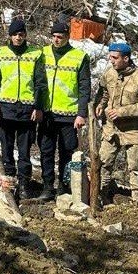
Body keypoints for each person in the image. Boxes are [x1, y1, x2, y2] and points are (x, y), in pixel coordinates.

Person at [0, 19, 47, 200]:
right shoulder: (1, 53)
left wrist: (38, 107)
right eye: (15, 35)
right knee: (6, 150)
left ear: (25, 35)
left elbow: (40, 84)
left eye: (21, 34)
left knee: (24, 152)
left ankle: (23, 185)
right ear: (10, 36)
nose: (18, 38)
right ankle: (8, 185)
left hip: (27, 110)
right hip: (6, 108)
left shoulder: (35, 54)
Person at [37, 17, 91, 201]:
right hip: (47, 113)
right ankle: (47, 186)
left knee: (67, 152)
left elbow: (85, 87)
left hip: (69, 114)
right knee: (46, 151)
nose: (56, 40)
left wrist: (81, 113)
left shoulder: (79, 57)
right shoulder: (42, 54)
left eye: (60, 36)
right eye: (54, 36)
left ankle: (64, 185)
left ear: (68, 37)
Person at [95, 42, 138, 204]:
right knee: (104, 162)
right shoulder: (109, 73)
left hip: (134, 130)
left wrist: (122, 112)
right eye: (110, 57)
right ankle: (101, 195)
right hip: (111, 128)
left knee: (135, 166)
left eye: (115, 58)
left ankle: (137, 201)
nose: (111, 61)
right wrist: (100, 105)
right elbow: (104, 93)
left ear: (126, 58)